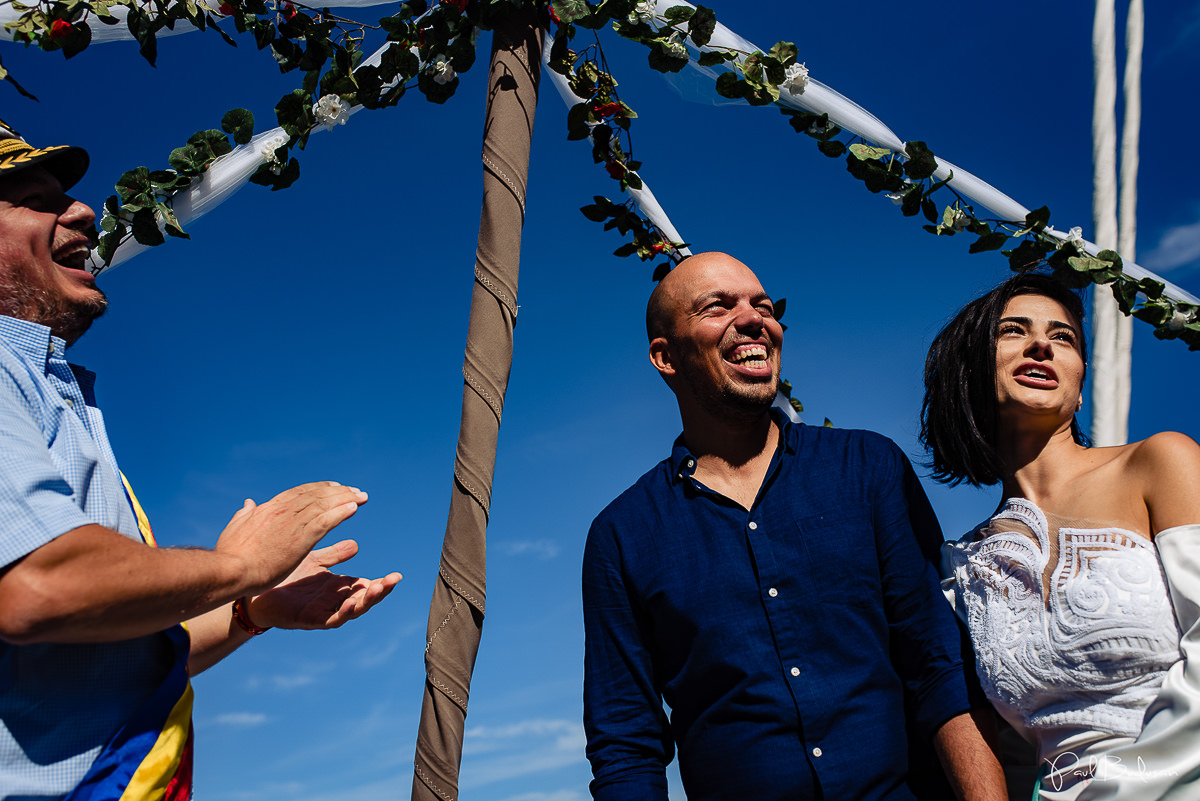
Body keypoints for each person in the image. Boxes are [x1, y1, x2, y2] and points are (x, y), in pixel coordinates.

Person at [0, 121, 402, 799]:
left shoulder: (51, 396)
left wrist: (251, 609)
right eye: (36, 200)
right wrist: (242, 565)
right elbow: (39, 588)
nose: (78, 210)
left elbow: (118, 663)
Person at [582, 251, 1006, 801]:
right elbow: (626, 744)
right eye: (718, 306)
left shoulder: (868, 467)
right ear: (665, 357)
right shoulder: (621, 536)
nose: (755, 318)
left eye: (763, 305)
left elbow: (939, 663)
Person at [923, 272, 1200, 800]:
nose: (1040, 345)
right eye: (1012, 330)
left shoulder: (1161, 464)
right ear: (971, 369)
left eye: (1063, 336)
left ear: (1079, 383)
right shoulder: (960, 567)